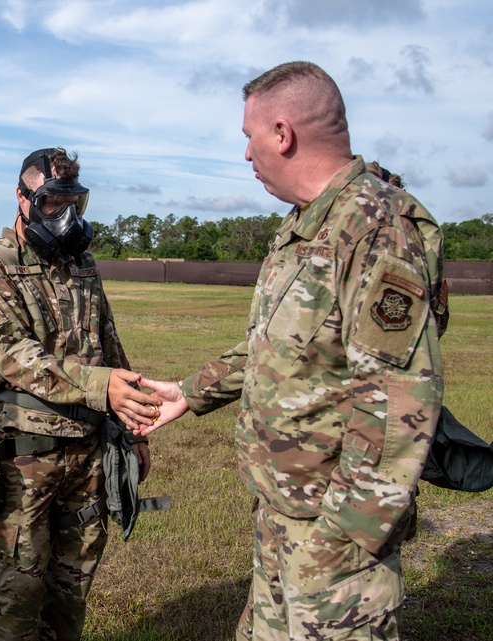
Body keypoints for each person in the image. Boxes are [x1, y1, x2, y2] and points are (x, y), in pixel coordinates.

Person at [136, 62, 447, 640]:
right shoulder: (305, 224)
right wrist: (191, 391)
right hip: (283, 516)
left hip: (332, 535)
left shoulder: (377, 225)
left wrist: (345, 542)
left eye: (249, 138)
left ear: (283, 133)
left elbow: (401, 399)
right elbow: (274, 346)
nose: (247, 156)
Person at [0, 148, 162, 640]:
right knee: (14, 602)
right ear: (23, 198)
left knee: (70, 596)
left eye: (75, 203)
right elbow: (16, 358)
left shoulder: (82, 264)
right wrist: (102, 388)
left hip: (88, 458)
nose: (65, 216)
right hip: (24, 464)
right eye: (52, 204)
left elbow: (109, 344)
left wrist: (133, 428)